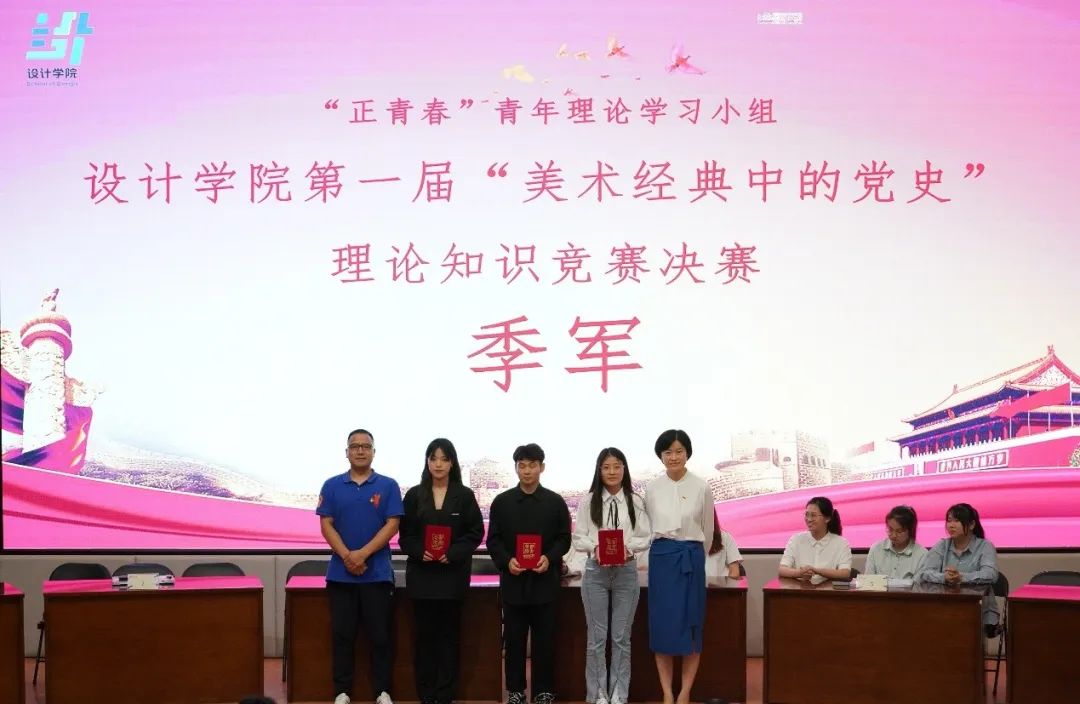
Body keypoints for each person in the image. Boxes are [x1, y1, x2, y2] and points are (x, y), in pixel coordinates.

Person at [317, 429, 404, 704]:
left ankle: (382, 691)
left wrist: (363, 554)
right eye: (354, 446)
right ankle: (342, 692)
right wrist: (347, 556)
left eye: (366, 446)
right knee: (342, 636)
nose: (360, 450)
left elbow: (393, 524)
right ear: (346, 453)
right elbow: (326, 524)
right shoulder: (331, 485)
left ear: (374, 452)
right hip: (341, 576)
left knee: (380, 637)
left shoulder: (388, 485)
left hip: (376, 575)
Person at [399, 438, 485, 704]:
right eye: (433, 458)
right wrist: (419, 551)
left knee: (449, 638)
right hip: (422, 577)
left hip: (452, 577)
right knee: (424, 639)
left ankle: (446, 694)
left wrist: (454, 553)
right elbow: (405, 536)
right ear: (427, 462)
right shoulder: (414, 495)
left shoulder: (464, 495)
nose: (438, 464)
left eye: (444, 459)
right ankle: (426, 694)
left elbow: (475, 533)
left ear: (452, 463)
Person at [486, 443, 572, 704]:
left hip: (545, 583)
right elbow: (493, 540)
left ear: (541, 467)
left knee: (545, 641)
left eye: (532, 465)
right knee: (514, 641)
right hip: (513, 583)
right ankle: (515, 691)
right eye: (521, 465)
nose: (526, 470)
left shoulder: (555, 502)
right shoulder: (502, 503)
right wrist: (507, 561)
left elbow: (564, 539)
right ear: (516, 468)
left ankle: (544, 690)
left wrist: (549, 557)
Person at [571, 447, 652, 704]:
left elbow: (645, 536)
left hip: (626, 572)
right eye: (606, 467)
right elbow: (578, 537)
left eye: (617, 466)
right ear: (599, 470)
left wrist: (629, 548)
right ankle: (597, 694)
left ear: (624, 469)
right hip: (595, 573)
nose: (612, 472)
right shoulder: (588, 501)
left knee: (621, 638)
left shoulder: (635, 501)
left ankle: (619, 693)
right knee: (596, 638)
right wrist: (595, 547)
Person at [644, 429, 714, 704]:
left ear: (687, 453)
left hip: (690, 559)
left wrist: (697, 557)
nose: (673, 457)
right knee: (663, 625)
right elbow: (647, 527)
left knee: (691, 624)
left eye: (679, 451)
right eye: (668, 452)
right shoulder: (652, 488)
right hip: (662, 561)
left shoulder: (701, 486)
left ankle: (685, 692)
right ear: (660, 456)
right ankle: (667, 692)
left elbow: (708, 530)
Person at [915, 503, 1000, 635]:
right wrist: (944, 577)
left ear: (971, 525)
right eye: (949, 521)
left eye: (957, 521)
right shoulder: (942, 545)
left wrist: (962, 577)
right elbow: (925, 572)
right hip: (944, 608)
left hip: (977, 609)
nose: (951, 525)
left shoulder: (985, 546)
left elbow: (991, 574)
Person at [777, 497, 852, 584]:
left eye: (813, 515)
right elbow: (782, 569)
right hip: (800, 589)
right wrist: (800, 573)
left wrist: (816, 571)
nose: (809, 519)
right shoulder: (796, 540)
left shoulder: (841, 543)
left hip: (829, 591)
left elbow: (845, 573)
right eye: (807, 515)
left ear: (827, 518)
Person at [864, 505, 927, 580]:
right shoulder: (876, 549)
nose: (893, 535)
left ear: (910, 531)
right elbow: (868, 581)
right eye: (890, 529)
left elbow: (919, 585)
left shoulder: (922, 555)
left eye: (899, 531)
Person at [704, 510, 743, 579]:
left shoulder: (725, 537)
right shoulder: (685, 540)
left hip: (719, 585)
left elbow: (734, 572)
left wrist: (723, 584)